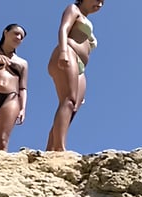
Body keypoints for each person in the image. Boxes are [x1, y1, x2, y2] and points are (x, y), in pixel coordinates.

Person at [46, 0, 104, 152]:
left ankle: (51, 148)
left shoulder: (88, 21)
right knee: (68, 100)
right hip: (68, 52)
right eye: (97, 0)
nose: (99, 5)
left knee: (73, 107)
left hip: (81, 67)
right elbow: (63, 29)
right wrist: (63, 51)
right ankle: (60, 147)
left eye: (102, 3)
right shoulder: (73, 9)